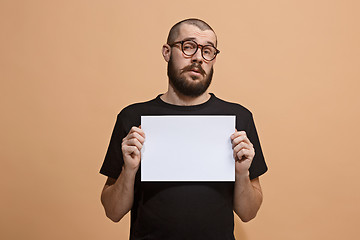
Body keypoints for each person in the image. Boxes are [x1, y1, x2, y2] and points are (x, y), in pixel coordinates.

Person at [99, 18, 268, 240]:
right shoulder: (132, 118)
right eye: (188, 47)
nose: (198, 57)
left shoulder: (239, 119)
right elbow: (112, 212)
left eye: (208, 51)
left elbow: (248, 213)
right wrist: (129, 170)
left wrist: (242, 173)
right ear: (167, 52)